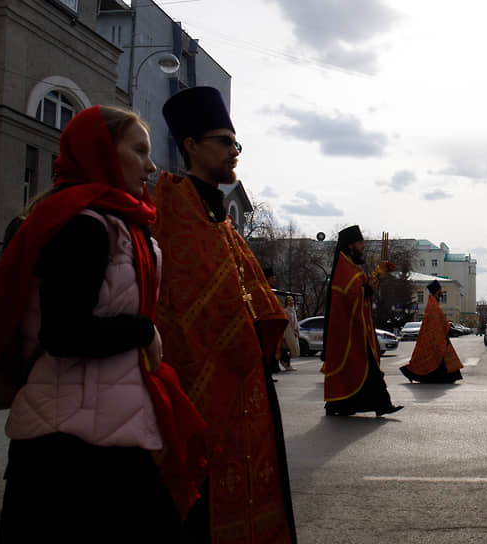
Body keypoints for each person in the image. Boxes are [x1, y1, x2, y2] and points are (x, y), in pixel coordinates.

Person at [0, 105, 206, 542]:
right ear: (101, 152)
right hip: (71, 443)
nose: (151, 166)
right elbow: (64, 333)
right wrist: (142, 332)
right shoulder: (84, 225)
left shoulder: (115, 222)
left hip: (95, 423)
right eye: (139, 151)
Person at [155, 86, 296, 543]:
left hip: (246, 377)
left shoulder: (221, 218)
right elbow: (182, 303)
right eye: (223, 141)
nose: (234, 152)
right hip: (204, 380)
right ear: (191, 146)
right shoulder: (176, 211)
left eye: (237, 143)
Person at [321, 225, 402, 417]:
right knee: (366, 366)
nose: (363, 246)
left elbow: (360, 289)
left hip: (357, 326)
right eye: (360, 242)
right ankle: (381, 404)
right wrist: (367, 288)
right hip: (348, 329)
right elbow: (351, 294)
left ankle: (340, 405)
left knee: (362, 367)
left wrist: (376, 277)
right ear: (350, 245)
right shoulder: (343, 266)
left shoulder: (352, 264)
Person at [400, 280, 463, 384]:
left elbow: (438, 319)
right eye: (441, 290)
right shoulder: (433, 304)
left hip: (439, 335)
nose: (442, 292)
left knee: (438, 357)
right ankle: (418, 374)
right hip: (435, 336)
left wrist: (445, 326)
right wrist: (445, 326)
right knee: (434, 357)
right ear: (437, 291)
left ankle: (446, 377)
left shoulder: (433, 302)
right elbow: (436, 320)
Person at [282, 296, 299, 371]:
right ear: (286, 302)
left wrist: (297, 331)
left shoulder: (293, 311)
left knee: (293, 349)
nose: (291, 302)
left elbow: (295, 322)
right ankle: (286, 364)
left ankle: (287, 364)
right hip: (288, 331)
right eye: (289, 300)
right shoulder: (285, 311)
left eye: (292, 300)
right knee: (289, 348)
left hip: (293, 331)